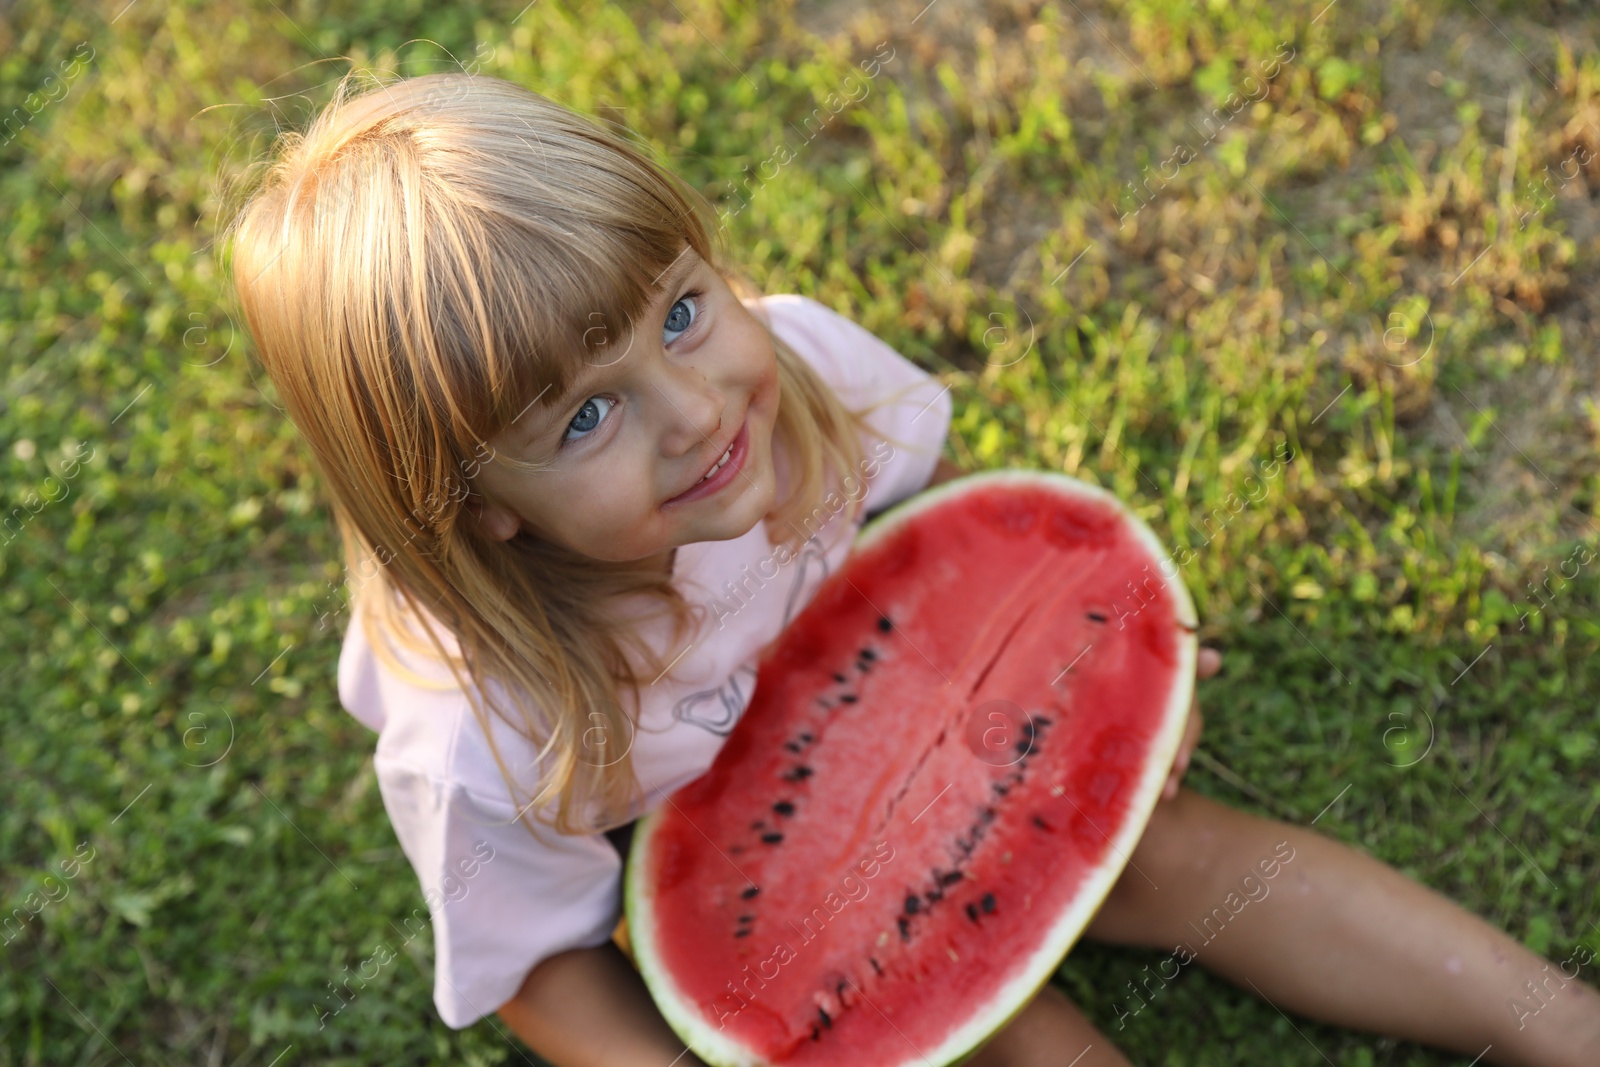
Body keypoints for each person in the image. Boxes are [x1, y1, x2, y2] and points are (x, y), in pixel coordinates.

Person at [226, 70, 1600, 1066]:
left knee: (1161, 854)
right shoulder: (490, 736)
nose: (699, 412)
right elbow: (535, 968)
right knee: (964, 1019)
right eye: (585, 417)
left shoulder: (807, 373)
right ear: (482, 512)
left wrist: (1106, 683)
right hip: (706, 831)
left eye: (684, 314)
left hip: (888, 688)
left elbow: (967, 552)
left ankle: (1562, 1024)